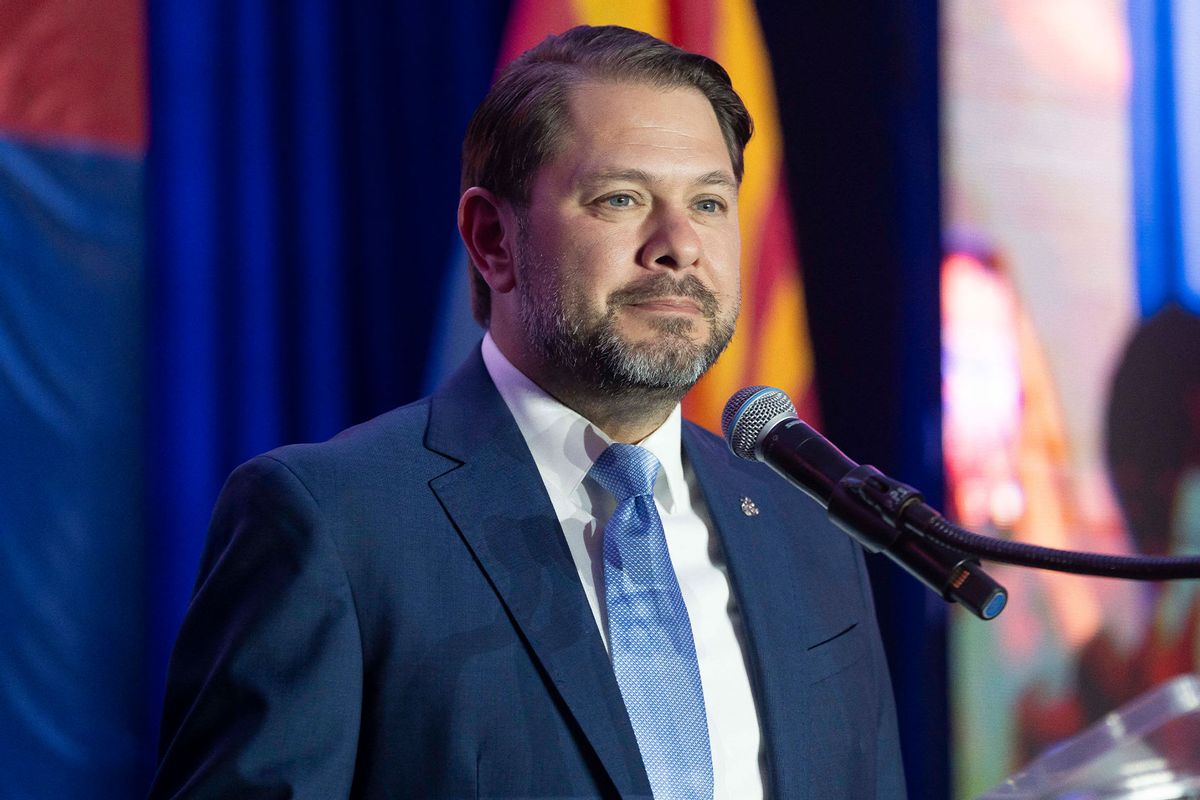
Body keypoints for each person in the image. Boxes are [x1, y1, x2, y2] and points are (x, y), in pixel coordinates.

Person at [149, 25, 904, 799]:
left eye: (709, 202)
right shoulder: (334, 524)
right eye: (621, 198)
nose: (679, 246)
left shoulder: (806, 525)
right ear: (491, 239)